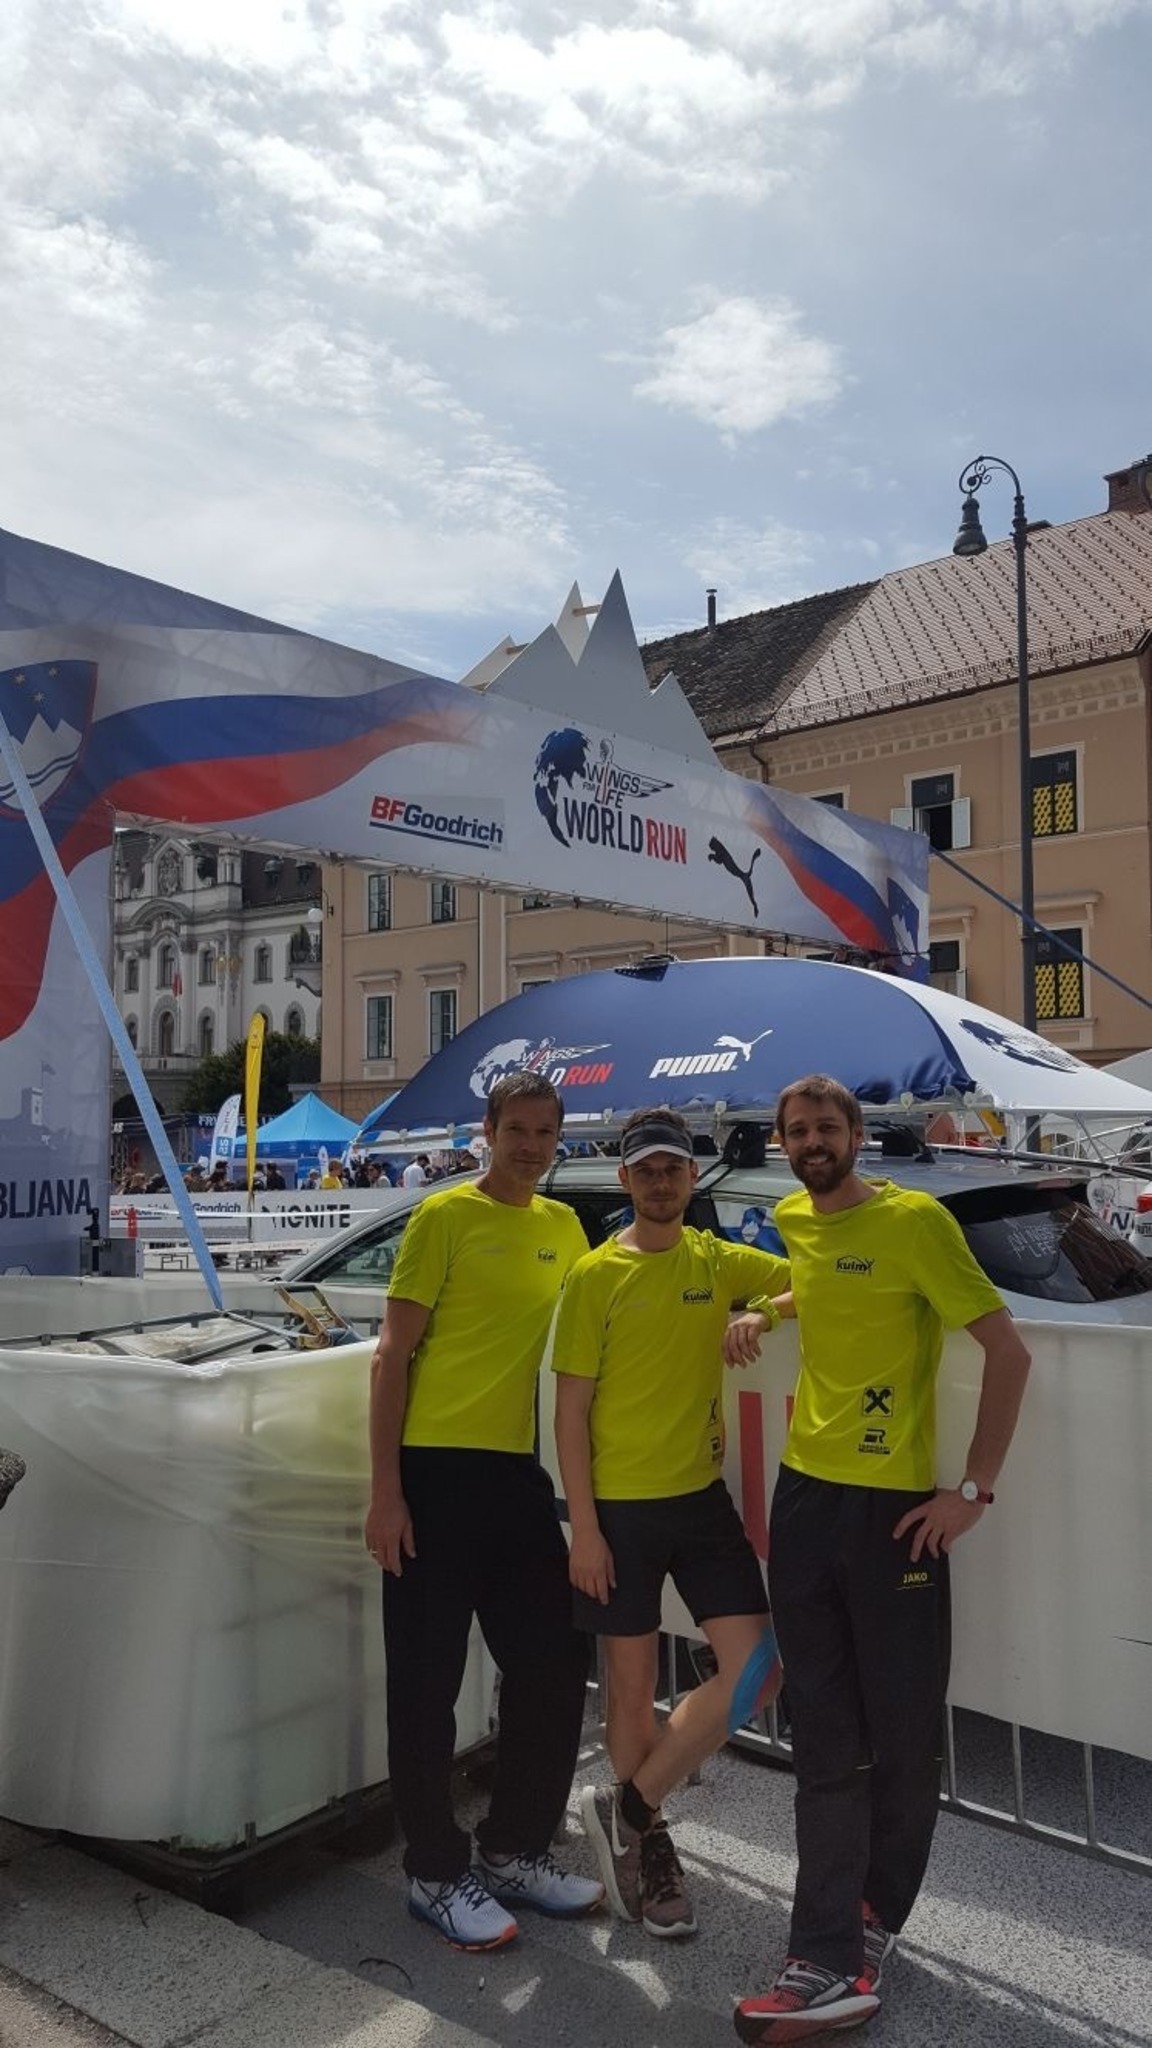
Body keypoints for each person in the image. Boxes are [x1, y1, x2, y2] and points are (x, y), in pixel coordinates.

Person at [734, 1076, 1031, 2044]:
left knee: (901, 1736)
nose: (813, 1141)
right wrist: (765, 1309)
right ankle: (823, 1952)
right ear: (783, 1145)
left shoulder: (916, 1222)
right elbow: (822, 1281)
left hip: (898, 1508)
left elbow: (1008, 1352)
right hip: (806, 1496)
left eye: (828, 1127)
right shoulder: (790, 1213)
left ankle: (871, 1914)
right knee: (823, 1730)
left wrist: (973, 1491)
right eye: (798, 1131)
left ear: (858, 1134)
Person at [364, 1074, 603, 1952]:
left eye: (546, 1132)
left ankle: (510, 1849)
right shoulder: (443, 1217)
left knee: (550, 1661)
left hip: (515, 1474)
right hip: (432, 1472)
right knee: (424, 1684)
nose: (532, 1146)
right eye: (518, 1130)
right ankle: (433, 1868)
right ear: (488, 1131)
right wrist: (385, 1490)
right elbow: (391, 1356)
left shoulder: (565, 1226)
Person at [552, 1107, 792, 1941]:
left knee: (759, 1670)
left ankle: (629, 1805)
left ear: (694, 1178)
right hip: (617, 1510)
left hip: (699, 1499)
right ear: (625, 1181)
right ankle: (652, 1851)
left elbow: (816, 1279)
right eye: (646, 1169)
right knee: (629, 1686)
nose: (661, 1182)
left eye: (674, 1168)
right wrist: (583, 1527)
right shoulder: (593, 1276)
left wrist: (761, 1312)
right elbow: (570, 1410)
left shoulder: (714, 1259)